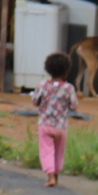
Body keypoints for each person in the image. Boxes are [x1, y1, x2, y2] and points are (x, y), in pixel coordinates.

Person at [32, 52, 80, 187]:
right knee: (59, 151)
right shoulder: (69, 88)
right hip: (61, 126)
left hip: (45, 125)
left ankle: (50, 177)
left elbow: (35, 101)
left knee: (47, 150)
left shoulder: (42, 85)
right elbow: (74, 105)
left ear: (48, 70)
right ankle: (57, 177)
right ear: (66, 72)